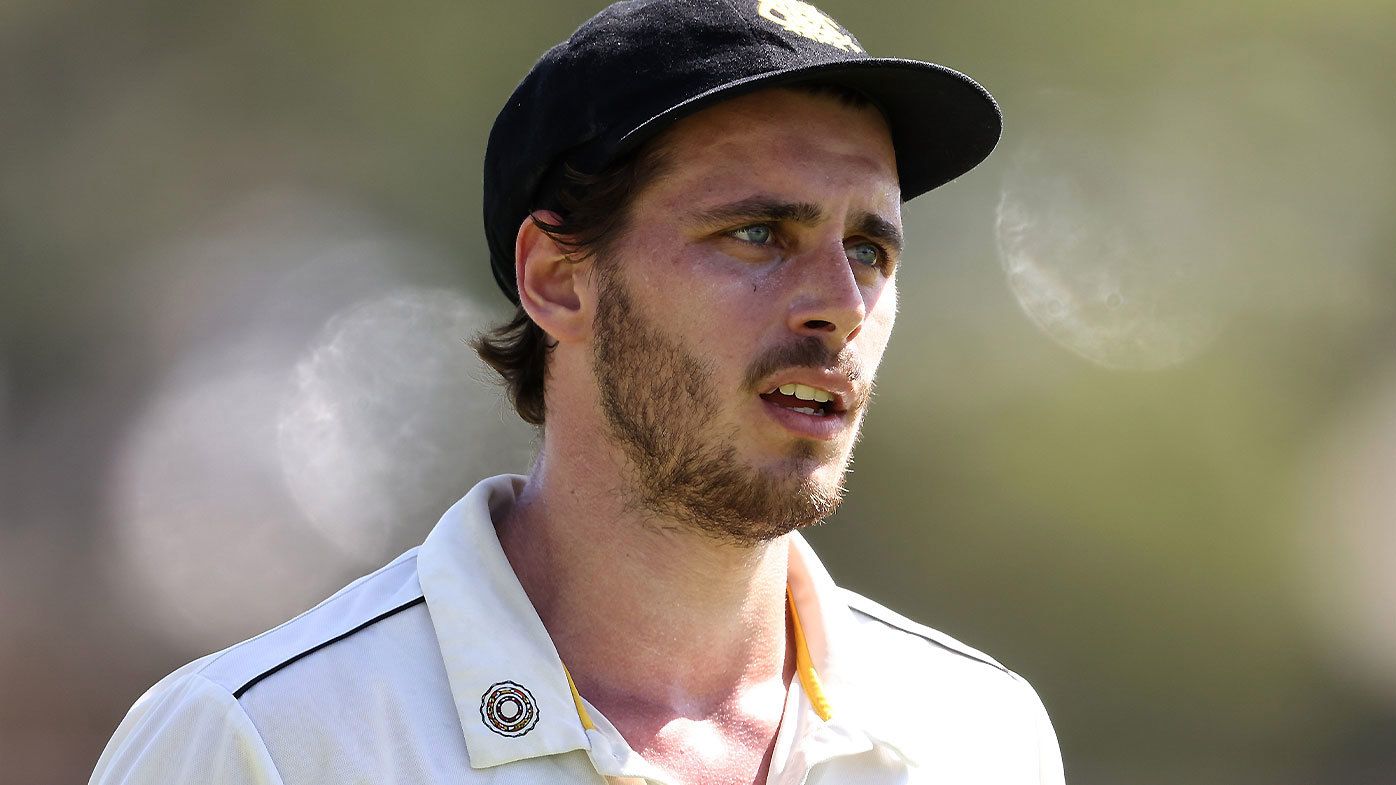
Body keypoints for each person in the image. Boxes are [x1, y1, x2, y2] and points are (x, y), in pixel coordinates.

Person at [90, 0, 1065, 783]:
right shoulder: (261, 742)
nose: (840, 305)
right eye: (758, 233)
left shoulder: (980, 733)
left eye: (868, 248)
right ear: (557, 278)